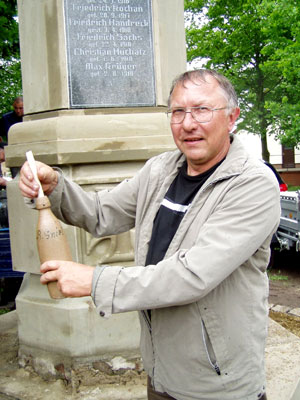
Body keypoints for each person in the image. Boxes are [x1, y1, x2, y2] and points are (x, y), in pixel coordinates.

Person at [19, 69, 280, 400]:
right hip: (161, 372)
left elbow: (192, 275)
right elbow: (100, 213)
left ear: (232, 118)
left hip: (217, 382)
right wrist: (55, 185)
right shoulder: (160, 171)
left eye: (202, 110)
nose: (187, 124)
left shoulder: (252, 184)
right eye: (177, 111)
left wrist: (94, 281)